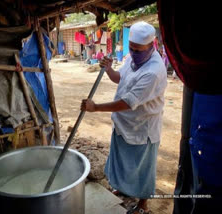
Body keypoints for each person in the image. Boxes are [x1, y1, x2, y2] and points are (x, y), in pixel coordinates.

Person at [81, 21, 167, 214]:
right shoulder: (133, 58)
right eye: (131, 48)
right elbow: (122, 78)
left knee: (142, 168)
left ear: (151, 46)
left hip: (142, 127)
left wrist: (95, 108)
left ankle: (142, 204)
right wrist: (110, 70)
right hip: (124, 123)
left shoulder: (153, 71)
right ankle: (123, 188)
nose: (134, 53)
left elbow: (128, 102)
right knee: (122, 161)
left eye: (138, 50)